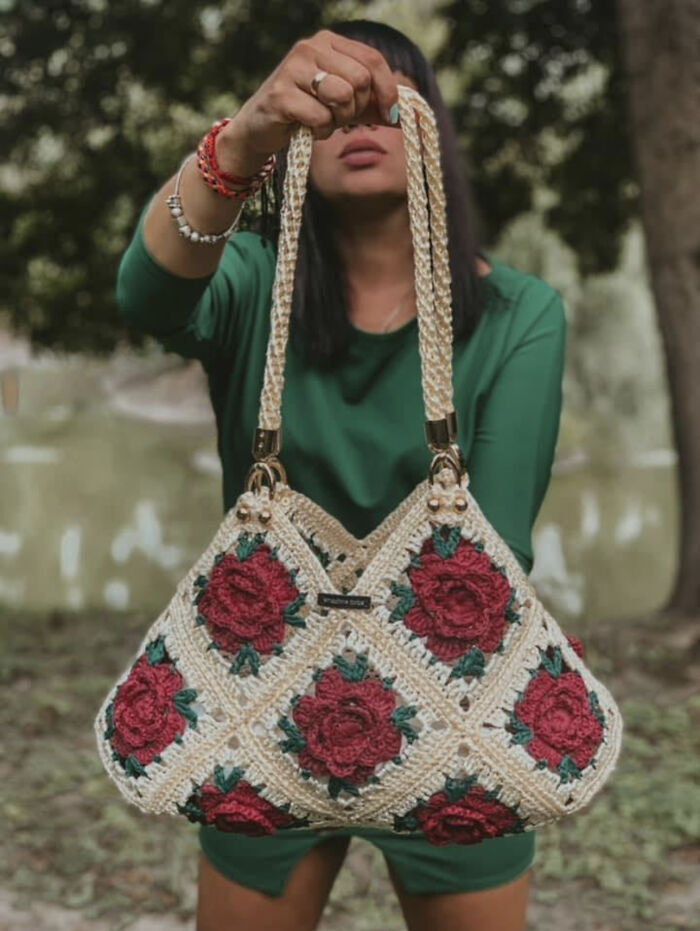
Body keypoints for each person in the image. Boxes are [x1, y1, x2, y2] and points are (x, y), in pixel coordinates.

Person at [115, 19, 567, 931]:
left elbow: (497, 551)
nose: (359, 121)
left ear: (435, 135)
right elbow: (146, 294)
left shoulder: (521, 313)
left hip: (455, 710)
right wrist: (242, 137)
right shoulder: (244, 279)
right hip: (260, 712)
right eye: (329, 109)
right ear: (294, 151)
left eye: (392, 104)